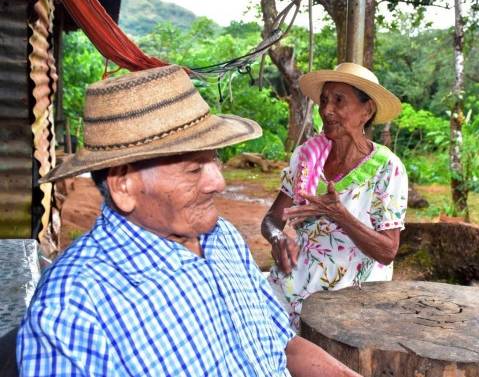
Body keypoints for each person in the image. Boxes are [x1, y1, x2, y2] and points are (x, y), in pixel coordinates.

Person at [17, 65, 360, 377]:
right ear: (124, 184)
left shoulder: (221, 236)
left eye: (214, 160)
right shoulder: (73, 307)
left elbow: (281, 344)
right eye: (193, 169)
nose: (218, 182)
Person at [262, 63, 408, 330]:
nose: (327, 110)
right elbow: (272, 219)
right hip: (292, 287)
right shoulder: (307, 157)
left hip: (350, 299)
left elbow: (388, 251)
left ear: (367, 110)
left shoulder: (387, 168)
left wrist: (339, 215)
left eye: (339, 101)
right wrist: (278, 237)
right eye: (325, 100)